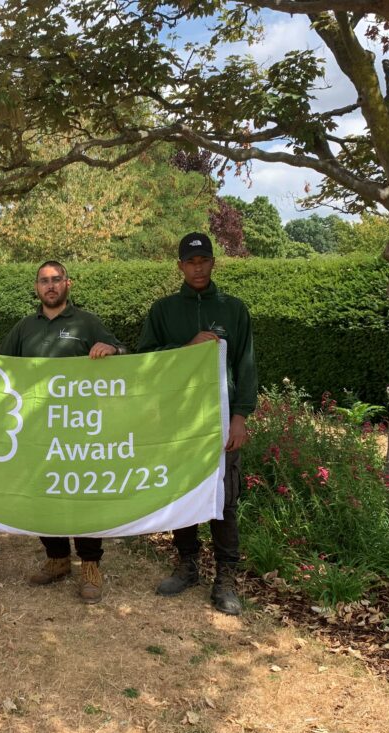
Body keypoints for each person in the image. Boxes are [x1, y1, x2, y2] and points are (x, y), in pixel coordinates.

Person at [0, 260, 123, 603]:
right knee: (43, 492)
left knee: (81, 494)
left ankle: (89, 565)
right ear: (36, 287)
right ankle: (56, 558)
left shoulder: (87, 322)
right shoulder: (26, 327)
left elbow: (126, 354)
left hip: (80, 430)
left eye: (56, 279)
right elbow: (3, 363)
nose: (51, 285)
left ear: (68, 284)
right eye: (44, 281)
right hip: (37, 430)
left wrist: (112, 349)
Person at [137, 232, 257, 615]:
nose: (198, 267)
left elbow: (246, 366)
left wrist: (239, 417)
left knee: (224, 497)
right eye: (191, 262)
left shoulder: (234, 310)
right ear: (180, 266)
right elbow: (144, 361)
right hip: (178, 419)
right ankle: (187, 564)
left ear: (213, 262)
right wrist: (185, 348)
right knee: (183, 492)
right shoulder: (163, 311)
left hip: (220, 420)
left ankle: (226, 577)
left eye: (204, 260)